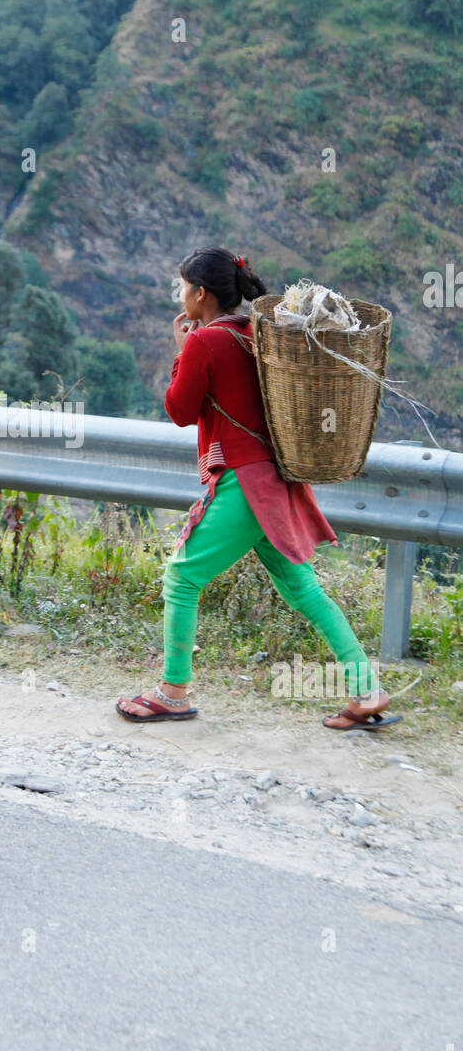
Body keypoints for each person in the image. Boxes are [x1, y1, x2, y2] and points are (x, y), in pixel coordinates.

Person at [116, 246, 400, 733]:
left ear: (201, 293)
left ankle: (173, 691)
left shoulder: (205, 343)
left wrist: (180, 349)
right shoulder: (258, 333)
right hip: (276, 481)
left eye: (184, 288)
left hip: (244, 484)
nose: (181, 296)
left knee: (181, 578)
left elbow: (180, 410)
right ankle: (366, 690)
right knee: (303, 589)